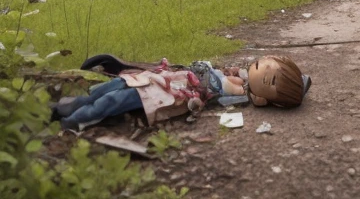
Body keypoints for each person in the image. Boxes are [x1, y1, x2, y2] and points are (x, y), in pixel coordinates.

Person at [55, 59, 245, 130]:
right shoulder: (219, 72)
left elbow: (239, 89)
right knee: (114, 85)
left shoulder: (229, 87)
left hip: (164, 93)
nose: (235, 70)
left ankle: (72, 120)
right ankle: (75, 105)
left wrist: (243, 80)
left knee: (114, 100)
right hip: (160, 80)